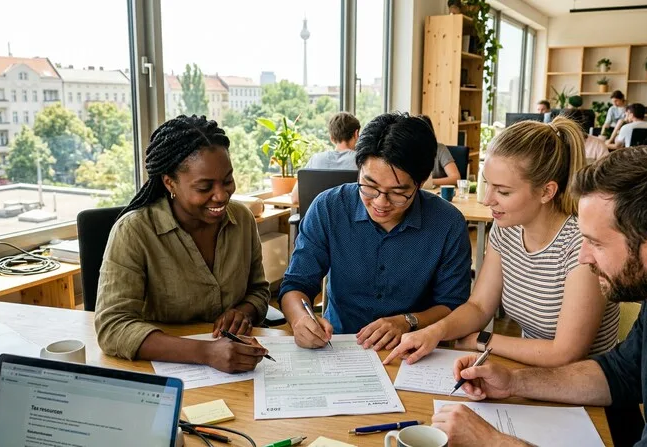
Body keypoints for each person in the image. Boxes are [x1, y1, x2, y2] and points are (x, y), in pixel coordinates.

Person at [432, 146, 647, 446]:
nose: (584, 257)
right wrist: (513, 381)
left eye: (595, 243)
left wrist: (491, 442)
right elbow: (619, 374)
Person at [385, 116, 619, 368]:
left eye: (503, 191)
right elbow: (479, 306)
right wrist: (435, 332)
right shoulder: (506, 229)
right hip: (532, 372)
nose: (487, 200)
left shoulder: (581, 245)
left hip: (584, 386)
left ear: (546, 192)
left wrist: (481, 340)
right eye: (488, 185)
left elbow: (564, 353)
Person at [279, 112, 472, 351]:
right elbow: (296, 283)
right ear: (358, 169)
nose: (381, 202)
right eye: (369, 187)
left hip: (413, 348)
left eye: (398, 192)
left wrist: (407, 321)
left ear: (421, 183)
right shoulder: (329, 208)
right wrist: (300, 319)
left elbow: (453, 304)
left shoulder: (447, 223)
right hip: (338, 345)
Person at [95, 115, 270, 373]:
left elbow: (259, 290)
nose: (221, 195)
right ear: (170, 183)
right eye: (204, 187)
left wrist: (244, 311)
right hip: (161, 369)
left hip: (233, 368)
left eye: (227, 180)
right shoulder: (135, 231)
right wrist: (206, 353)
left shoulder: (241, 219)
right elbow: (113, 326)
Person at [291, 112, 360, 204]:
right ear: (356, 134)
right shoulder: (363, 162)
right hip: (352, 217)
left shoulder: (315, 159)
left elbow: (295, 198)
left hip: (318, 217)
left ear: (331, 138)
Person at [419, 115, 461, 187]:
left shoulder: (440, 149)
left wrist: (429, 182)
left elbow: (456, 178)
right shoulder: (408, 150)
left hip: (436, 193)